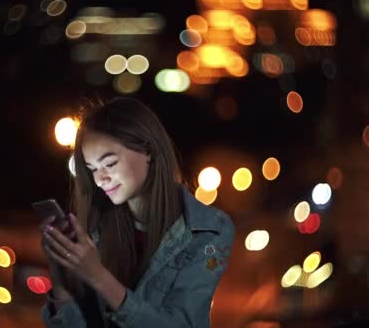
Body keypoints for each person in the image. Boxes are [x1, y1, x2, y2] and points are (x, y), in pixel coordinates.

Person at [39, 97, 235, 327]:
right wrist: (63, 280)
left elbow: (183, 323)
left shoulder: (208, 229)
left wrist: (99, 276)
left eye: (110, 164)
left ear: (148, 150)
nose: (100, 179)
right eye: (92, 169)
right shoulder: (96, 230)